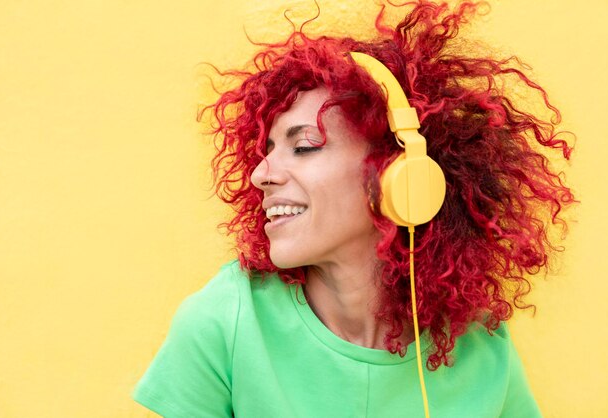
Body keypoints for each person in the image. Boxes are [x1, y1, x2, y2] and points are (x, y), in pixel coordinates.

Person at [133, 1, 574, 417]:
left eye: (304, 146)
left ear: (398, 175)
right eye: (266, 150)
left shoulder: (482, 346)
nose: (260, 175)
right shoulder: (223, 323)